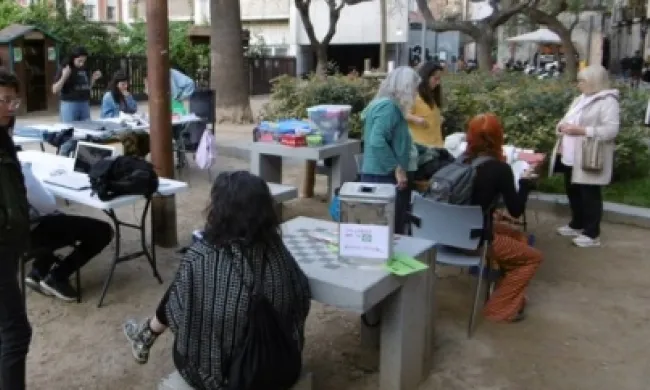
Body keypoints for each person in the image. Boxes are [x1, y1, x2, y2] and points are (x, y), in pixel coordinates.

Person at [122, 171, 311, 389]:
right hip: (279, 369)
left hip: (219, 379)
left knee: (185, 285)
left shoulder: (202, 255)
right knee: (190, 283)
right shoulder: (277, 248)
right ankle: (145, 335)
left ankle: (146, 334)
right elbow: (302, 298)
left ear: (219, 210)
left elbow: (178, 314)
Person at [465, 113, 542, 323]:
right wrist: (525, 184)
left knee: (518, 238)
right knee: (533, 258)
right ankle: (499, 308)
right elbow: (516, 210)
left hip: (450, 235)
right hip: (478, 240)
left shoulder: (461, 162)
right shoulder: (500, 169)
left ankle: (505, 293)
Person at [549, 64, 620, 248]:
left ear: (594, 82)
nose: (578, 84)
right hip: (571, 152)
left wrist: (581, 130)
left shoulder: (608, 101)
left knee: (589, 194)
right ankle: (577, 223)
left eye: (582, 81)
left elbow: (611, 130)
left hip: (589, 155)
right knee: (572, 190)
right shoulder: (580, 98)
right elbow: (566, 118)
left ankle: (592, 233)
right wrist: (561, 126)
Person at [22, 165, 114, 301]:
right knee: (103, 231)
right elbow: (47, 205)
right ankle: (57, 276)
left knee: (61, 219)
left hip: (10, 238)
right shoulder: (15, 169)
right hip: (28, 235)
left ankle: (39, 270)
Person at [0, 68, 32, 390]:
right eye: (4, 100)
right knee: (16, 333)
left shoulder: (4, 137)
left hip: (10, 244)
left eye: (14, 100)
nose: (11, 107)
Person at [360, 66, 420, 235]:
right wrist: (397, 169)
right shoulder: (388, 108)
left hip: (381, 174)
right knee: (389, 232)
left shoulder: (386, 106)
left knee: (386, 230)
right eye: (415, 87)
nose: (417, 93)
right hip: (383, 176)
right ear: (406, 87)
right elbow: (377, 141)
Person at [51, 47, 102, 122]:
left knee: (87, 129)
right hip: (70, 104)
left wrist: (93, 79)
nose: (82, 64)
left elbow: (87, 87)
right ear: (73, 58)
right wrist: (64, 77)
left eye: (84, 61)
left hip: (84, 103)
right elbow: (54, 90)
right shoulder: (65, 68)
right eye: (79, 61)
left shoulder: (84, 68)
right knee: (70, 129)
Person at [407, 61, 444, 148]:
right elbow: (401, 113)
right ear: (426, 77)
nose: (438, 82)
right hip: (421, 148)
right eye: (436, 78)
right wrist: (416, 119)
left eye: (439, 79)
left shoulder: (432, 96)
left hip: (436, 146)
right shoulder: (413, 95)